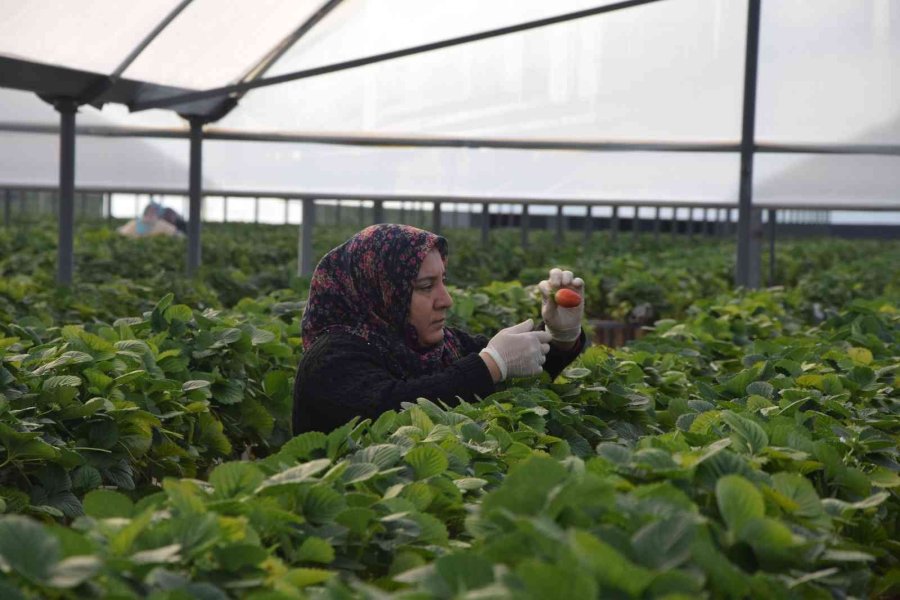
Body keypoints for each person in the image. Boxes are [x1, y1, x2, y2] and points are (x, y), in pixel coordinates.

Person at [292, 224, 587, 435]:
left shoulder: (442, 346)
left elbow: (523, 366)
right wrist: (490, 366)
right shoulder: (331, 360)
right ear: (381, 291)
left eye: (442, 281)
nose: (446, 300)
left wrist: (560, 335)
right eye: (425, 286)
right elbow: (393, 407)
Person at [116, 202, 182, 238]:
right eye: (149, 211)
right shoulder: (134, 224)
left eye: (153, 212)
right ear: (145, 212)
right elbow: (121, 232)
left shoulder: (162, 224)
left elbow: (176, 233)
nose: (150, 214)